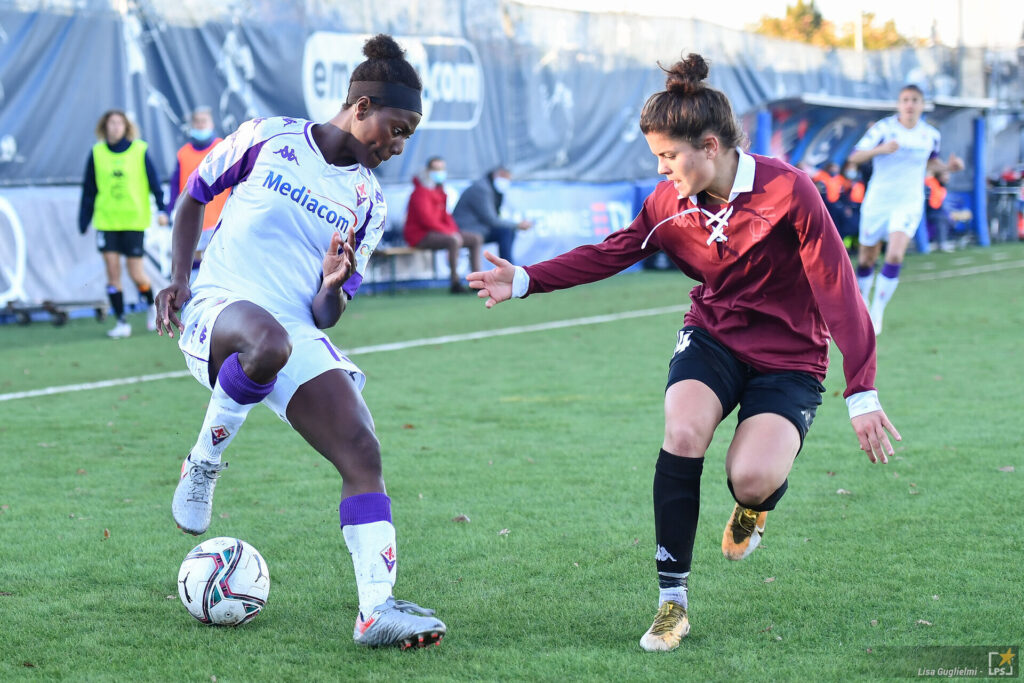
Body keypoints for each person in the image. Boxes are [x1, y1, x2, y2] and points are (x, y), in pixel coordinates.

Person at [466, 53, 900, 653]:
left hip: (791, 359)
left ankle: (754, 508)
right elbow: (611, 251)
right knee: (684, 431)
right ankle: (672, 602)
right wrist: (524, 280)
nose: (663, 169)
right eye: (657, 159)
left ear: (712, 145)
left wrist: (863, 391)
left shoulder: (788, 191)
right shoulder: (668, 205)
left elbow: (839, 290)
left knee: (750, 478)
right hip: (714, 336)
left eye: (669, 156)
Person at [154, 34, 446, 649]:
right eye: (396, 128)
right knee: (267, 342)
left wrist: (334, 285)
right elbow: (193, 198)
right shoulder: (269, 137)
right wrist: (177, 281)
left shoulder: (368, 202)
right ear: (361, 107)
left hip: (296, 328)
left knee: (362, 451)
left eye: (409, 137)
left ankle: (376, 610)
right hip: (220, 311)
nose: (398, 146)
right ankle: (203, 464)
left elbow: (325, 314)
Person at [846, 84, 963, 334]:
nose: (909, 104)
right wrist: (881, 149)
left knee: (896, 254)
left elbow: (930, 162)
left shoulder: (930, 134)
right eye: (905, 100)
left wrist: (948, 168)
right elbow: (854, 156)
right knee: (867, 257)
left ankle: (877, 311)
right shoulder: (884, 129)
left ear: (922, 105)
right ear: (899, 104)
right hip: (878, 199)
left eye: (914, 100)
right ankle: (862, 305)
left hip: (908, 201)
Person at [79, 109, 169, 338]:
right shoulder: (97, 153)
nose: (116, 127)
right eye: (112, 123)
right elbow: (89, 189)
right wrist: (84, 218)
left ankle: (151, 307)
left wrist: (161, 208)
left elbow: (154, 182)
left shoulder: (140, 150)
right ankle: (121, 322)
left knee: (137, 274)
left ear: (126, 126)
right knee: (112, 273)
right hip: (107, 221)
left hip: (133, 220)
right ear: (105, 126)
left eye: (120, 123)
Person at [403, 156, 483, 293]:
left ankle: (477, 281)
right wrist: (451, 234)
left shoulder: (439, 190)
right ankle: (455, 283)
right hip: (420, 235)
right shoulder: (420, 192)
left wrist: (453, 231)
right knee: (453, 240)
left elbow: (446, 216)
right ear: (427, 171)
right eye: (436, 169)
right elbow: (427, 220)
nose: (440, 172)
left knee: (476, 238)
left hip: (437, 232)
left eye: (442, 169)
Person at [168, 107, 231, 274]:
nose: (201, 125)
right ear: (191, 125)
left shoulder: (224, 147)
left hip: (219, 219)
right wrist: (170, 210)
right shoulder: (184, 153)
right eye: (197, 121)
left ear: (211, 123)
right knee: (191, 265)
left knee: (217, 264)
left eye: (204, 121)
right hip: (192, 218)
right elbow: (176, 184)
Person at [451, 166, 532, 263]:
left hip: (478, 228)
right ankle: (507, 268)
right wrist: (517, 225)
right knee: (506, 231)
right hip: (467, 229)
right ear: (495, 175)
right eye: (504, 177)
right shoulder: (481, 189)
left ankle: (507, 267)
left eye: (508, 179)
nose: (506, 182)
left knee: (507, 231)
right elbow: (491, 220)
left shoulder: (491, 189)